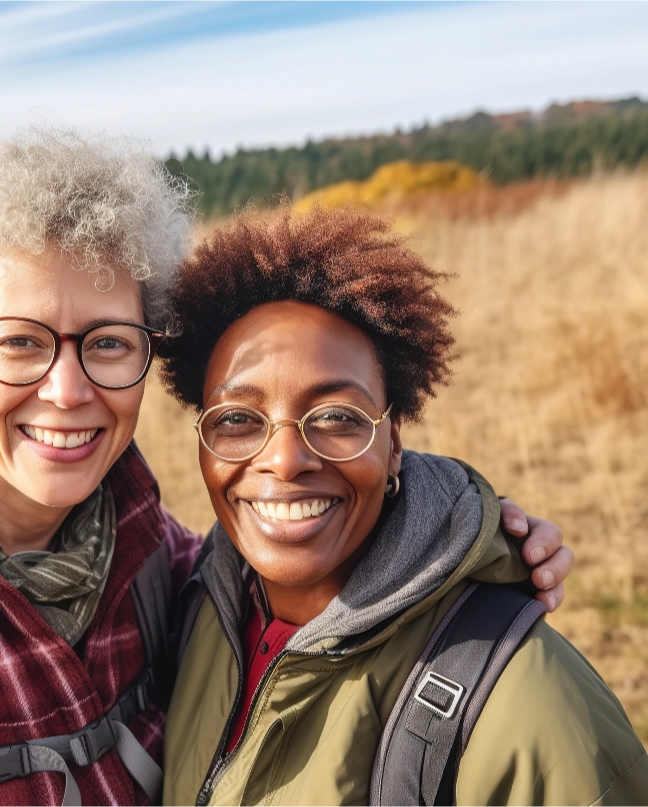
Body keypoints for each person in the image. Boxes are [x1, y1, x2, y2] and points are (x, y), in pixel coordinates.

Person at [0, 130, 571, 806]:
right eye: (20, 342)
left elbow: (322, 555)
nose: (69, 388)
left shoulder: (162, 564)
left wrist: (468, 538)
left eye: (108, 343)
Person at [159, 207, 648, 805]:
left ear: (394, 445)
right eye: (238, 418)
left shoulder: (523, 700)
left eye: (337, 417)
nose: (285, 460)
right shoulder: (195, 611)